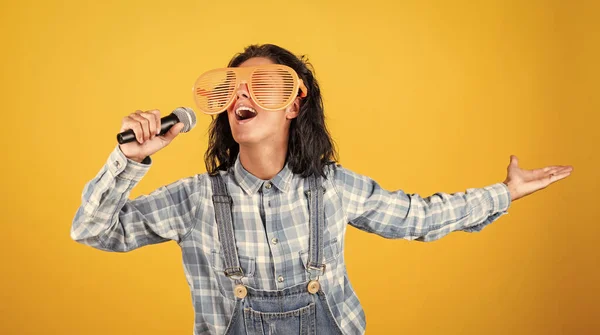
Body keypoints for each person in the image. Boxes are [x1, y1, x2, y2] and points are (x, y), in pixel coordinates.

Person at [71, 44, 573, 335]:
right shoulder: (193, 200)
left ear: (294, 105)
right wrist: (129, 160)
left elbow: (419, 218)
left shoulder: (331, 188)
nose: (242, 96)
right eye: (232, 88)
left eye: (263, 86)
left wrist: (504, 193)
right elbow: (91, 230)